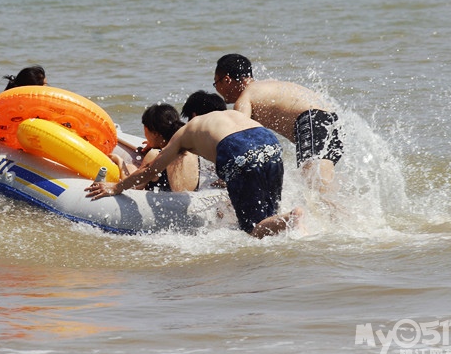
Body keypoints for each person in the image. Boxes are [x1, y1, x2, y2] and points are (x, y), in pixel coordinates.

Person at [87, 91, 302, 239]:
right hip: (269, 143)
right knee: (270, 212)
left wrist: (116, 187)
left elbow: (151, 170)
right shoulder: (231, 115)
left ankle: (293, 217)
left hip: (236, 149)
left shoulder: (188, 130)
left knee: (252, 229)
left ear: (192, 115)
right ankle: (294, 223)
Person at [213, 53, 343, 196]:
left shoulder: (246, 97)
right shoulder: (267, 85)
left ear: (226, 80)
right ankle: (348, 216)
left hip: (312, 120)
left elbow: (238, 138)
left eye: (215, 83)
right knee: (321, 187)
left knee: (314, 189)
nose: (216, 90)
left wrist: (226, 176)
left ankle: (342, 216)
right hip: (333, 121)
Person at [111, 103, 216, 192]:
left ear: (155, 133)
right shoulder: (192, 150)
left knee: (130, 167)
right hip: (188, 204)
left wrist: (120, 163)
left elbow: (133, 188)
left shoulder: (155, 154)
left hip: (165, 210)